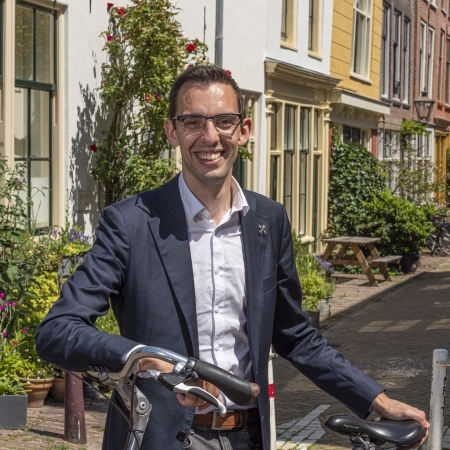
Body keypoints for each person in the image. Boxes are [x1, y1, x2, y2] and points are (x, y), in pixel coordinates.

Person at [36, 66, 429, 450]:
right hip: (157, 435)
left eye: (224, 121)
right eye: (193, 122)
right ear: (172, 132)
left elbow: (295, 335)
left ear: (243, 130)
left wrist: (376, 399)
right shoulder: (130, 223)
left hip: (247, 435)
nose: (210, 137)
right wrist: (145, 359)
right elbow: (57, 331)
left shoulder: (268, 220)